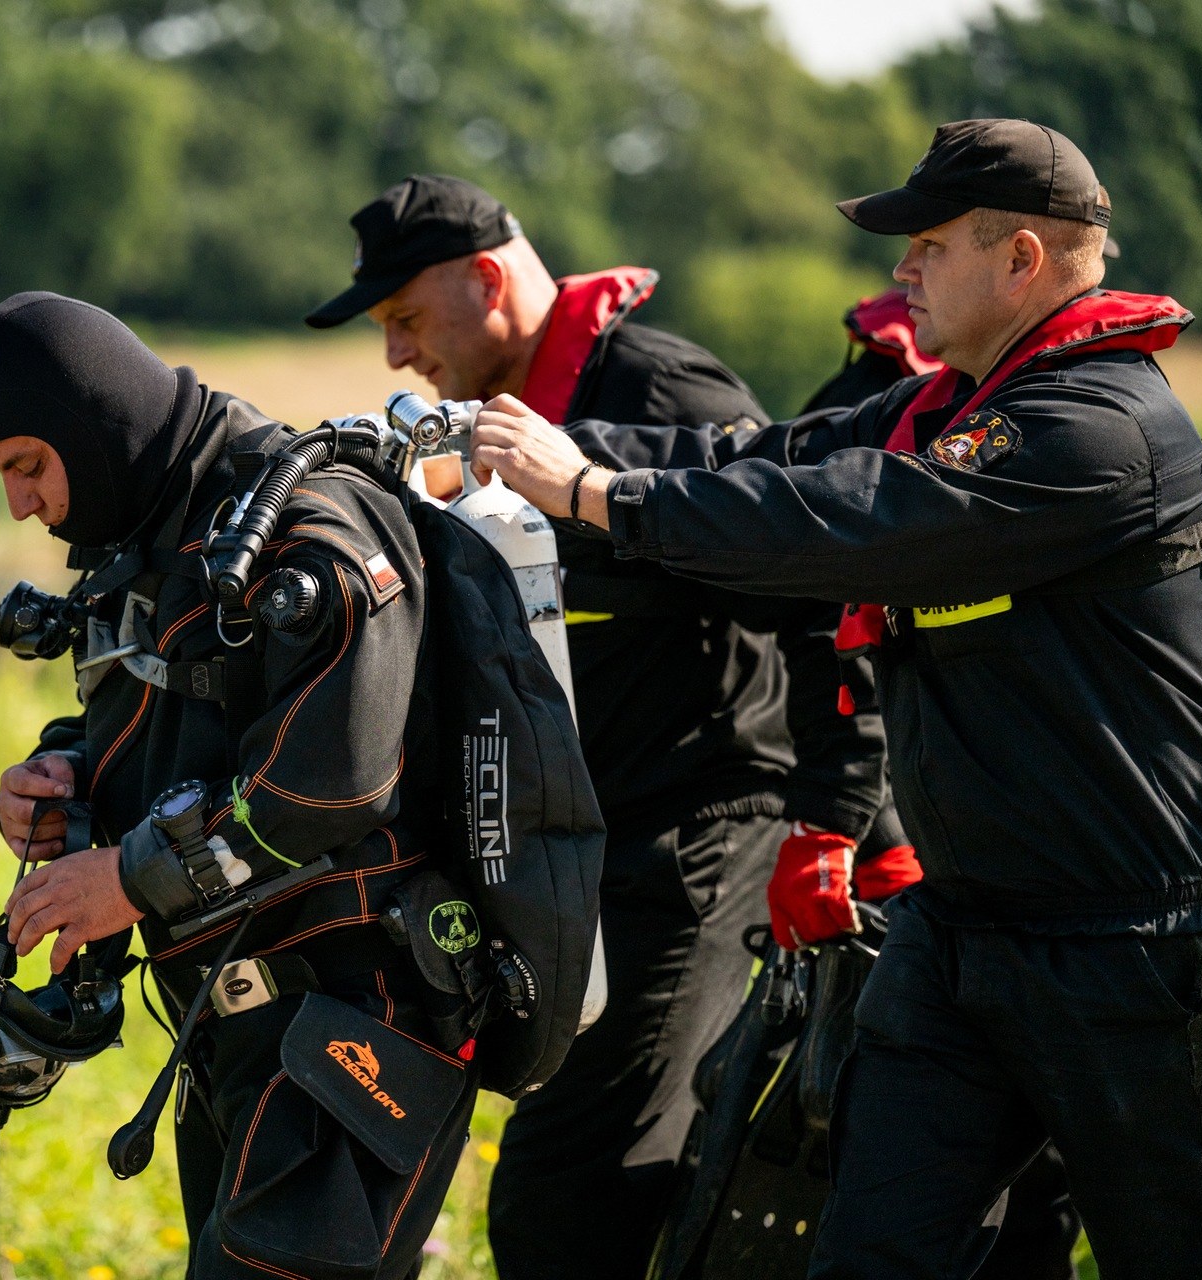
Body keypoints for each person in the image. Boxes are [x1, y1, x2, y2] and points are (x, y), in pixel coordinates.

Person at [468, 118, 1202, 1278]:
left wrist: (592, 493)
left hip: (1129, 940)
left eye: (929, 244)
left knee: (1171, 1254)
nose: (902, 270)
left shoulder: (1102, 428)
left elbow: (848, 519)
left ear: (1021, 258)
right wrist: (518, 456)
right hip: (959, 926)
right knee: (870, 1254)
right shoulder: (946, 410)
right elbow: (761, 458)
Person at [306, 174, 896, 1279]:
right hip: (581, 848)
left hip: (702, 840)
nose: (395, 355)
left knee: (568, 1195)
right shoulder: (481, 427)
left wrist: (838, 817)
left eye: (404, 319)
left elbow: (818, 588)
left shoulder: (661, 389)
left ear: (488, 279)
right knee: (584, 1188)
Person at [0, 292, 477, 1280]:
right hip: (233, 1022)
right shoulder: (147, 527)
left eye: (27, 465)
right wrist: (62, 778)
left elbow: (334, 780)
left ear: (96, 423)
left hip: (353, 1012)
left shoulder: (303, 519)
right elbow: (168, 716)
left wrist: (131, 877)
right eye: (1, 477)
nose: (20, 504)